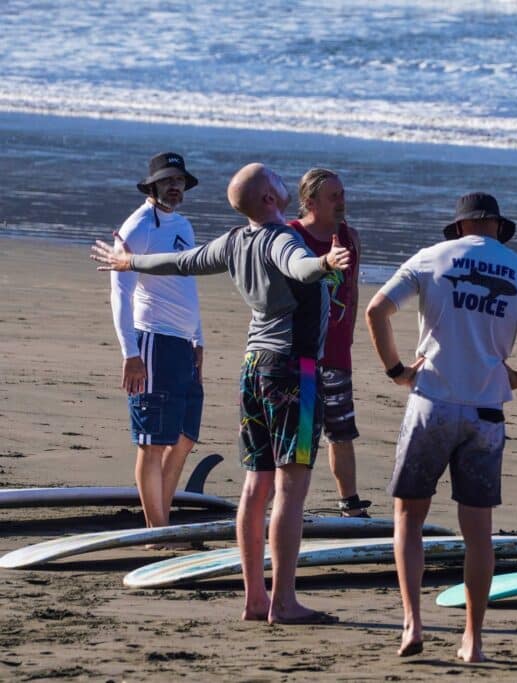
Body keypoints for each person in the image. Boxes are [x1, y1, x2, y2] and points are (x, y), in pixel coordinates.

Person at [92, 163, 351, 626]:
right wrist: (324, 264)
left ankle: (255, 598)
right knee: (291, 488)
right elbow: (299, 266)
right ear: (270, 199)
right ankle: (284, 601)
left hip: (253, 369)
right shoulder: (279, 238)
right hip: (297, 370)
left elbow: (180, 262)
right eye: (276, 180)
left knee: (256, 484)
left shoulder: (234, 241)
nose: (282, 182)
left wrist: (130, 262)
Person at [365, 192, 517, 662]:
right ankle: (473, 639)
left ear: (461, 227)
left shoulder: (430, 258)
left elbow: (376, 311)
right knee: (477, 532)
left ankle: (412, 622)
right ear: (498, 227)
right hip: (486, 412)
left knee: (409, 517)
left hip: (432, 403)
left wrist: (397, 371)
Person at [109, 152, 204, 534]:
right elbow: (120, 291)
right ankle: (157, 532)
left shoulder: (183, 224)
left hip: (183, 344)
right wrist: (130, 353)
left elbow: (189, 284)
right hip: (152, 341)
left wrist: (198, 339)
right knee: (151, 442)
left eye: (179, 180)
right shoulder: (136, 228)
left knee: (183, 438)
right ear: (152, 185)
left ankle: (161, 521)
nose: (175, 186)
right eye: (167, 181)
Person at [289, 168, 370, 517]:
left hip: (337, 355)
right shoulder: (291, 236)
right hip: (302, 356)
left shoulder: (349, 237)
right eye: (333, 196)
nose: (341, 202)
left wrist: (346, 340)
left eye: (342, 195)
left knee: (342, 432)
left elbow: (350, 295)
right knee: (303, 433)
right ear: (310, 202)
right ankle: (290, 504)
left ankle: (349, 504)